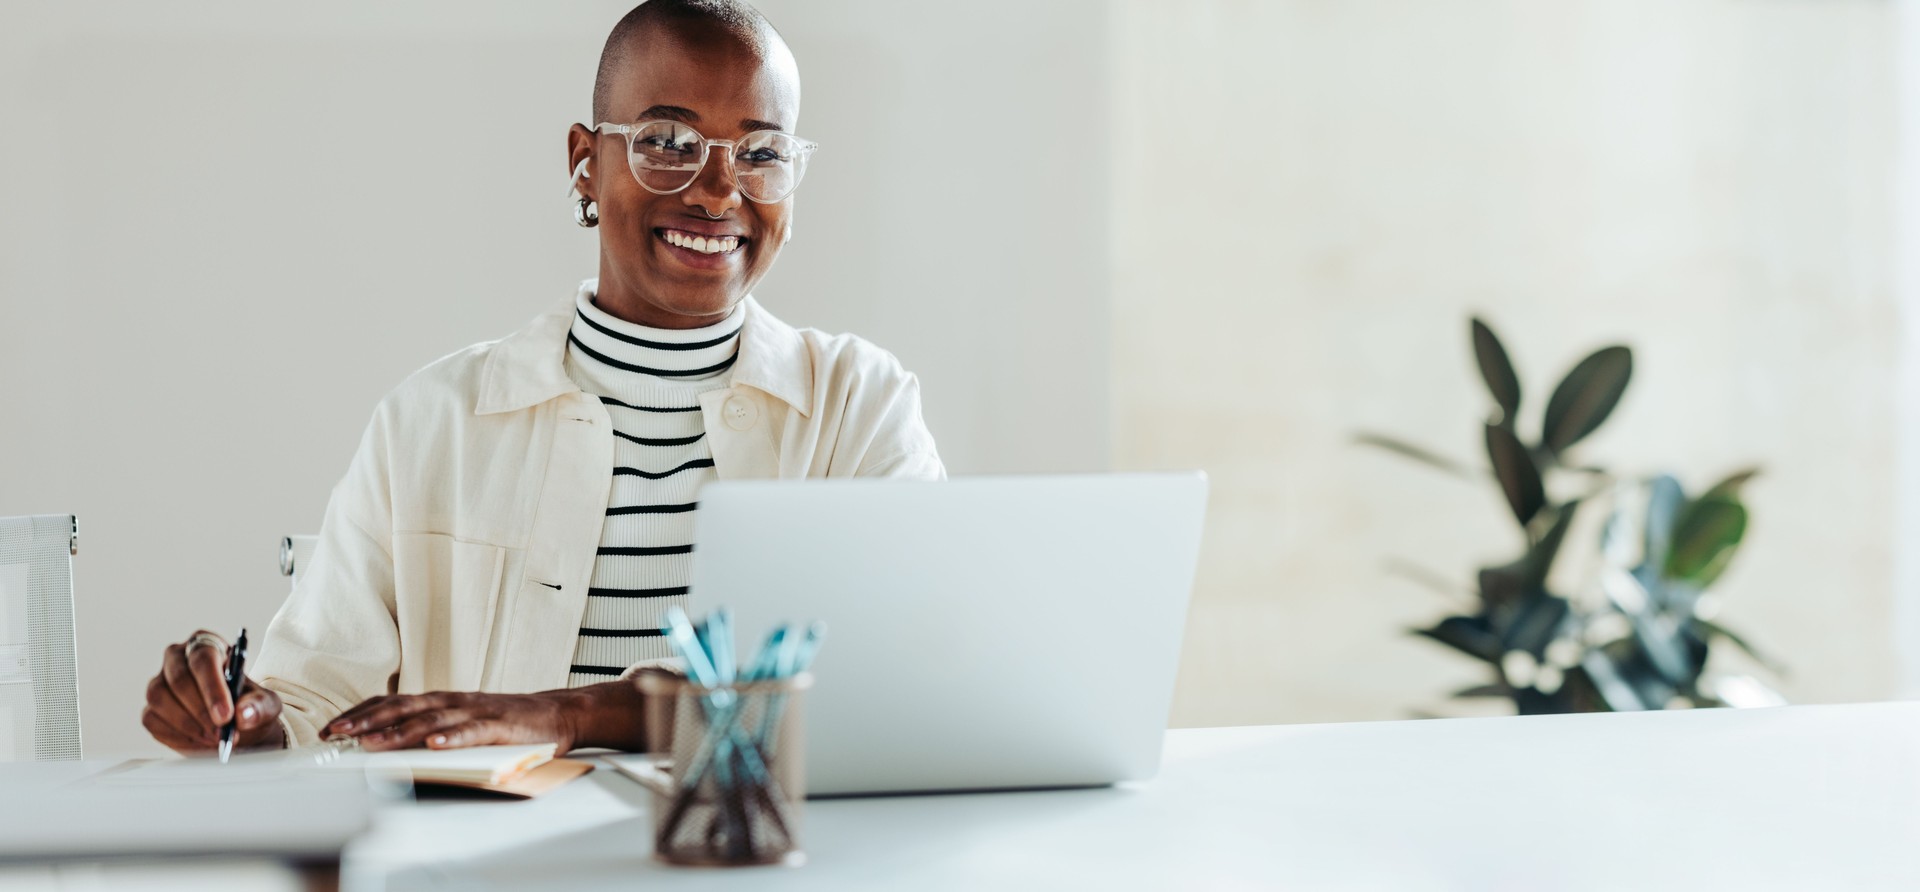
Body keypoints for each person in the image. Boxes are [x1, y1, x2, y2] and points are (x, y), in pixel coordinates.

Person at [139, 0, 941, 756]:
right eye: (667, 140)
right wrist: (245, 720)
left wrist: (581, 713)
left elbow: (909, 681)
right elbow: (314, 704)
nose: (718, 189)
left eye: (761, 153)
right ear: (586, 164)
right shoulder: (431, 422)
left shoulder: (859, 408)